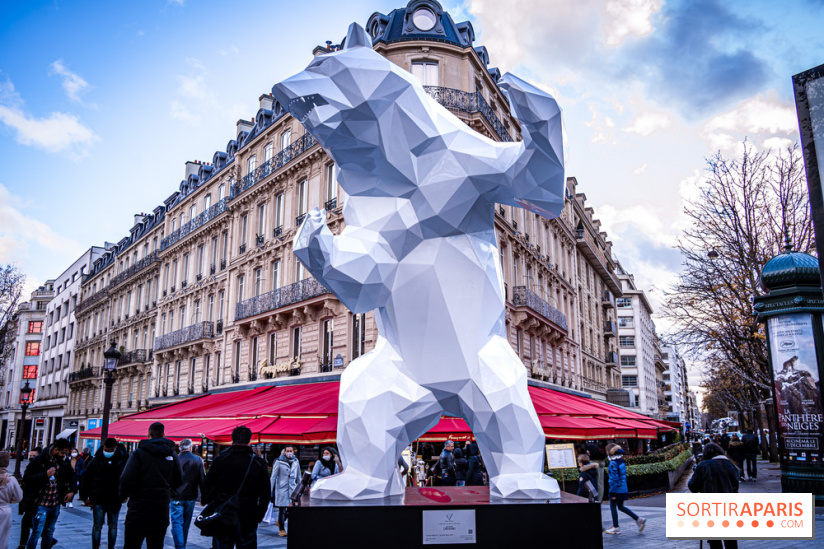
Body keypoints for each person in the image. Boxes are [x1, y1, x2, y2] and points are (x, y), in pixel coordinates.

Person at [202, 426, 270, 549]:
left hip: (223, 513)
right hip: (248, 515)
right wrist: (259, 515)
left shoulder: (219, 460)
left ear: (232, 439)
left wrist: (213, 504)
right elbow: (265, 493)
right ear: (249, 440)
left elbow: (207, 487)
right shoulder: (259, 463)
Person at [120, 422, 183, 549]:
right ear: (164, 435)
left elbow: (126, 479)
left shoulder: (138, 453)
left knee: (132, 544)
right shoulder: (171, 454)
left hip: (138, 508)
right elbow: (179, 480)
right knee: (156, 544)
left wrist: (123, 495)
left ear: (148, 434)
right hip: (160, 508)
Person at [21, 438, 76, 549]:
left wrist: (73, 491)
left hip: (55, 503)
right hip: (41, 503)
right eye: (62, 452)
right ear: (55, 449)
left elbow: (72, 476)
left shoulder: (63, 462)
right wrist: (44, 474)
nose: (63, 455)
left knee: (49, 532)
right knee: (37, 532)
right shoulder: (39, 460)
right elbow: (27, 478)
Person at [689, 443, 739, 549]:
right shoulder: (730, 465)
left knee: (714, 540)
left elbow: (693, 486)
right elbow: (735, 485)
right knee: (730, 539)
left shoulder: (704, 465)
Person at [80, 438, 129, 549]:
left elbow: (125, 479)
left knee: (109, 526)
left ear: (114, 448)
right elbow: (86, 478)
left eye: (109, 450)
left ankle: (110, 546)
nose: (107, 451)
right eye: (106, 449)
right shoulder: (98, 460)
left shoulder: (118, 460)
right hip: (100, 497)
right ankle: (96, 546)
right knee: (102, 526)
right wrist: (84, 496)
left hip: (112, 497)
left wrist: (125, 494)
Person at [170, 439, 205, 549]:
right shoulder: (198, 460)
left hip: (176, 496)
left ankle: (180, 546)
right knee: (185, 524)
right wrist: (204, 496)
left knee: (176, 523)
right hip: (191, 496)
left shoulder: (175, 460)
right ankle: (182, 545)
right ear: (191, 448)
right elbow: (202, 479)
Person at [604, 444, 645, 535]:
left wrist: (613, 493)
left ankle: (616, 527)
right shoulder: (621, 461)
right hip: (623, 488)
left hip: (616, 489)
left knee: (613, 507)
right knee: (621, 506)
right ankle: (638, 519)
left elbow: (613, 479)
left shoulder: (612, 463)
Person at [270, 445, 300, 537]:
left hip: (293, 489)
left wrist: (301, 487)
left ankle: (280, 521)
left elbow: (298, 475)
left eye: (291, 451)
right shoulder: (279, 462)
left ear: (293, 452)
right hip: (282, 489)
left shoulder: (296, 461)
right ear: (284, 452)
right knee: (282, 509)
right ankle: (281, 529)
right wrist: (270, 490)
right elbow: (273, 477)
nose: (289, 452)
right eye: (287, 451)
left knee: (291, 509)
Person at [0, 451, 23, 549]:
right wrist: (9, 500)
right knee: (2, 537)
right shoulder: (11, 479)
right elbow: (18, 497)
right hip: (4, 510)